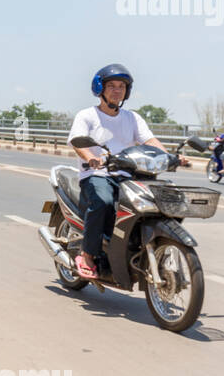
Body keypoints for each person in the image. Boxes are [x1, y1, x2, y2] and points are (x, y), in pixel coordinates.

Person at [67, 64, 189, 280]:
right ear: (100, 89)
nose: (117, 90)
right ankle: (87, 255)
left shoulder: (132, 118)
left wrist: (169, 156)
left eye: (122, 86)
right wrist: (91, 158)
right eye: (112, 86)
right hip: (98, 176)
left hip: (129, 176)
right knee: (103, 202)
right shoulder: (87, 115)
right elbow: (78, 142)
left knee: (168, 200)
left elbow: (149, 140)